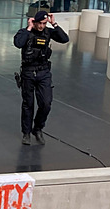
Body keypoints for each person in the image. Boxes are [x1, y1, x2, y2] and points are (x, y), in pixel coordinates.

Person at [14, 10, 69, 145]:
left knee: (46, 103)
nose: (41, 26)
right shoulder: (25, 32)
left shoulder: (48, 32)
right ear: (34, 22)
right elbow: (18, 43)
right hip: (28, 71)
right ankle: (26, 133)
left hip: (43, 71)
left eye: (44, 23)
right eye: (39, 23)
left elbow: (64, 39)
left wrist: (54, 24)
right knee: (28, 104)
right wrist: (28, 28)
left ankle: (38, 128)